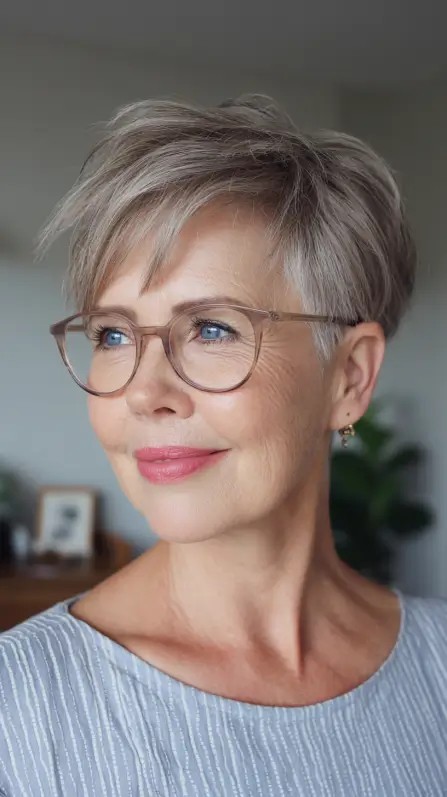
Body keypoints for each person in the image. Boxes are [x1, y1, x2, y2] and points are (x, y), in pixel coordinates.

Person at [1, 94, 446, 797]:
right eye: (113, 335)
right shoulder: (17, 709)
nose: (143, 392)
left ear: (349, 378)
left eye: (212, 328)